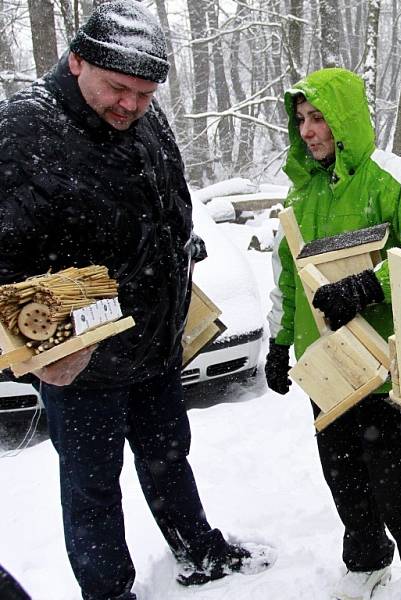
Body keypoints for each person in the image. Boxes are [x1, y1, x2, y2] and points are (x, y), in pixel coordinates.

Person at [0, 2, 275, 598]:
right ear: (76, 60)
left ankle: (198, 550)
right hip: (83, 360)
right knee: (93, 488)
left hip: (155, 341)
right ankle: (109, 590)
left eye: (145, 94)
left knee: (169, 457)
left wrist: (184, 250)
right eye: (118, 88)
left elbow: (170, 203)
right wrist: (39, 345)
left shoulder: (143, 121)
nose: (131, 104)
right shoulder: (24, 129)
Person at [265, 67, 401, 600]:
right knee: (345, 478)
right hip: (327, 370)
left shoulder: (393, 179)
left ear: (345, 119)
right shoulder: (301, 195)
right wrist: (279, 340)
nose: (309, 131)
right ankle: (366, 559)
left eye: (319, 118)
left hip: (389, 370)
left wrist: (368, 285)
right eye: (301, 121)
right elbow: (289, 279)